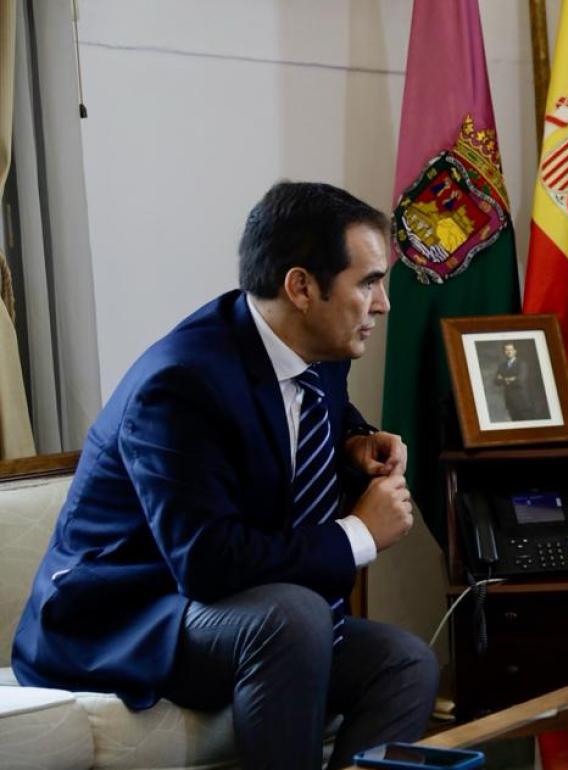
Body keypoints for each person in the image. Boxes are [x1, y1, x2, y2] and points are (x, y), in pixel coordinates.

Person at [12, 182, 439, 769]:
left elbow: (308, 409)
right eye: (367, 282)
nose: (384, 302)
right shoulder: (182, 383)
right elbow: (206, 562)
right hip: (124, 617)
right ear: (302, 287)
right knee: (293, 617)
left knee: (407, 663)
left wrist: (353, 442)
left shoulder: (318, 347)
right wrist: (357, 534)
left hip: (222, 613)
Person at [494, 342, 535, 420]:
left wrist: (503, 379)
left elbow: (520, 381)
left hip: (522, 401)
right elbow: (496, 381)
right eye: (506, 350)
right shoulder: (502, 366)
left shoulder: (522, 364)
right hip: (510, 401)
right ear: (504, 352)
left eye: (511, 350)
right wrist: (510, 379)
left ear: (515, 351)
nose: (509, 352)